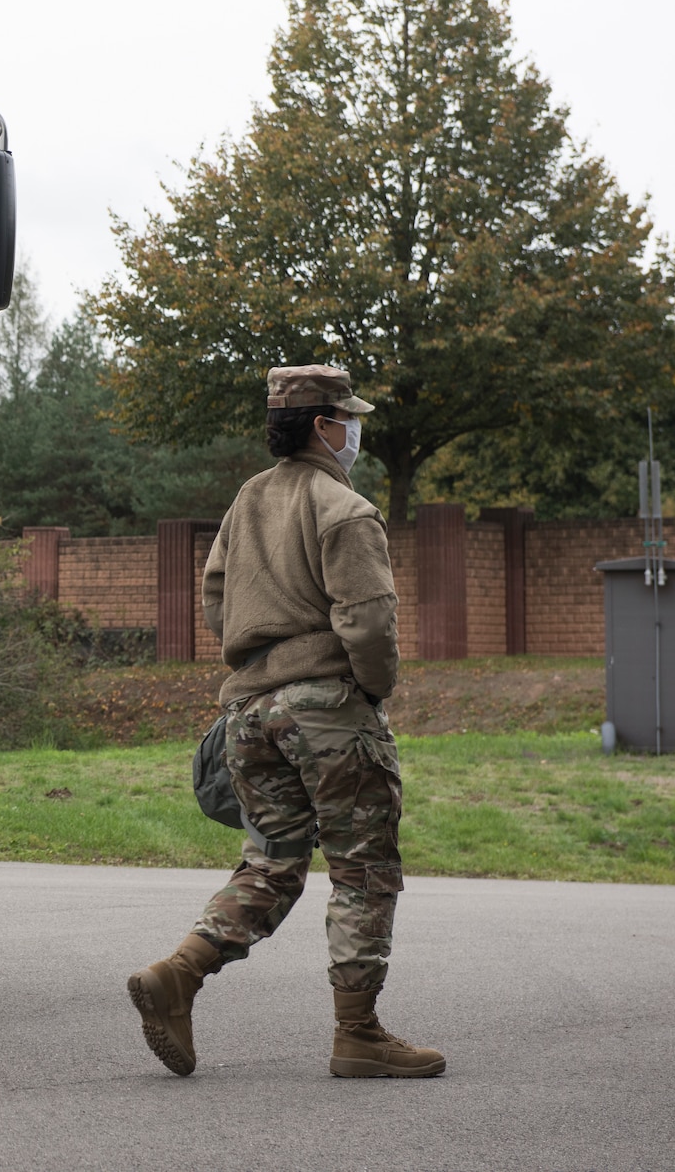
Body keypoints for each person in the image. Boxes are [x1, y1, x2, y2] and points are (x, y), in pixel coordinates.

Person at [127, 364, 445, 1078]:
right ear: (324, 426)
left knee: (271, 865)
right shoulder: (345, 508)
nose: (355, 430)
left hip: (248, 711)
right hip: (327, 710)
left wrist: (260, 655)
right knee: (364, 873)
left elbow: (215, 599)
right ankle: (358, 1034)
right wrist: (372, 692)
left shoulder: (248, 500)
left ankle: (178, 974)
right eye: (348, 417)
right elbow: (367, 620)